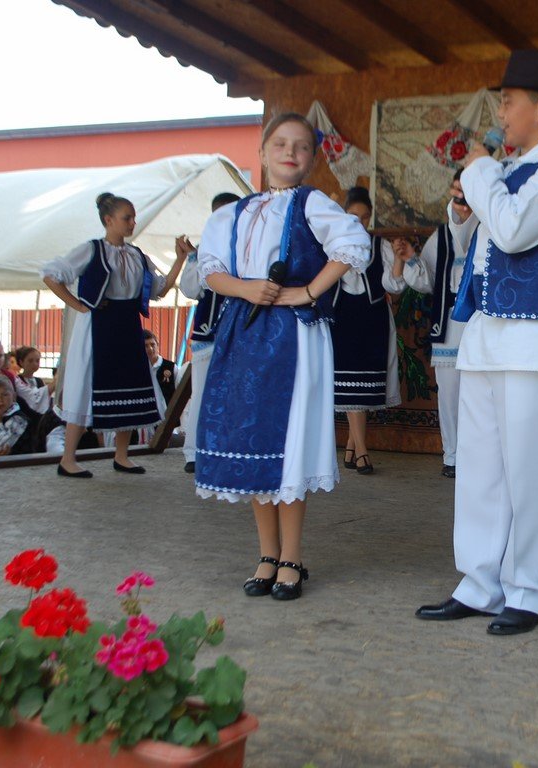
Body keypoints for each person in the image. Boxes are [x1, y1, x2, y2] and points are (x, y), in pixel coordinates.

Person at [415, 50, 538, 636]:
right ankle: (480, 582)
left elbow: (515, 231)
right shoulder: (508, 169)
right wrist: (465, 205)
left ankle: (529, 590)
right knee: (480, 467)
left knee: (529, 469)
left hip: (535, 338)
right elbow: (483, 236)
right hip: (488, 334)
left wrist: (480, 174)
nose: (500, 112)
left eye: (508, 101)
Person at [194, 112, 371, 601]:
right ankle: (266, 553)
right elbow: (211, 268)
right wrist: (247, 288)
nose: (290, 152)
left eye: (301, 146)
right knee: (255, 444)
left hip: (294, 336)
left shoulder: (312, 203)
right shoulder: (233, 213)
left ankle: (291, 555)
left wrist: (309, 291)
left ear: (312, 158)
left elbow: (353, 242)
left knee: (289, 444)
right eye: (280, 143)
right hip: (244, 332)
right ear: (263, 151)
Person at [41, 192, 186, 478]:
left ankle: (122, 455)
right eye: (126, 218)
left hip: (127, 326)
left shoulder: (137, 255)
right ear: (108, 220)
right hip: (98, 326)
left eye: (133, 218)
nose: (132, 223)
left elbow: (160, 289)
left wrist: (179, 260)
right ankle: (68, 459)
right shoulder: (91, 250)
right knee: (87, 386)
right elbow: (51, 275)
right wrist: (79, 306)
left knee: (129, 385)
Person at [330, 186, 413, 476]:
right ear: (344, 215)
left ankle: (352, 446)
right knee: (351, 387)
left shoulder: (380, 247)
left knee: (365, 390)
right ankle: (362, 451)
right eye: (354, 216)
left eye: (365, 217)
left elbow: (394, 287)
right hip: (342, 321)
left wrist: (399, 260)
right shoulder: (332, 246)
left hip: (373, 321)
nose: (360, 222)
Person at [395, 171, 468, 478]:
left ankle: (481, 457)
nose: (463, 203)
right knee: (450, 395)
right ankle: (452, 456)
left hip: (484, 325)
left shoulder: (492, 231)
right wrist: (412, 258)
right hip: (450, 325)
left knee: (483, 395)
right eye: (458, 195)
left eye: (468, 194)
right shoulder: (442, 237)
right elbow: (426, 282)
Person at [177, 192, 241, 473]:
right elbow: (190, 289)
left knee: (236, 393)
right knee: (202, 393)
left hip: (239, 331)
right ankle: (194, 452)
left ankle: (228, 449)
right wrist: (193, 258)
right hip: (208, 332)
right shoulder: (204, 250)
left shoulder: (248, 246)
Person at [0, 375, 38, 456]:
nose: (0, 399)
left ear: (14, 396)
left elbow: (1, 448)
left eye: (5, 395)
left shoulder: (19, 419)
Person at [14, 345, 52, 414]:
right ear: (21, 362)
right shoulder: (17, 380)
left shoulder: (39, 381)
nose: (34, 364)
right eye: (30, 361)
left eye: (37, 361)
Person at [143, 330, 177, 405]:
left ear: (157, 345)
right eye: (146, 346)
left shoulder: (171, 367)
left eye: (152, 345)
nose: (150, 348)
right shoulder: (140, 369)